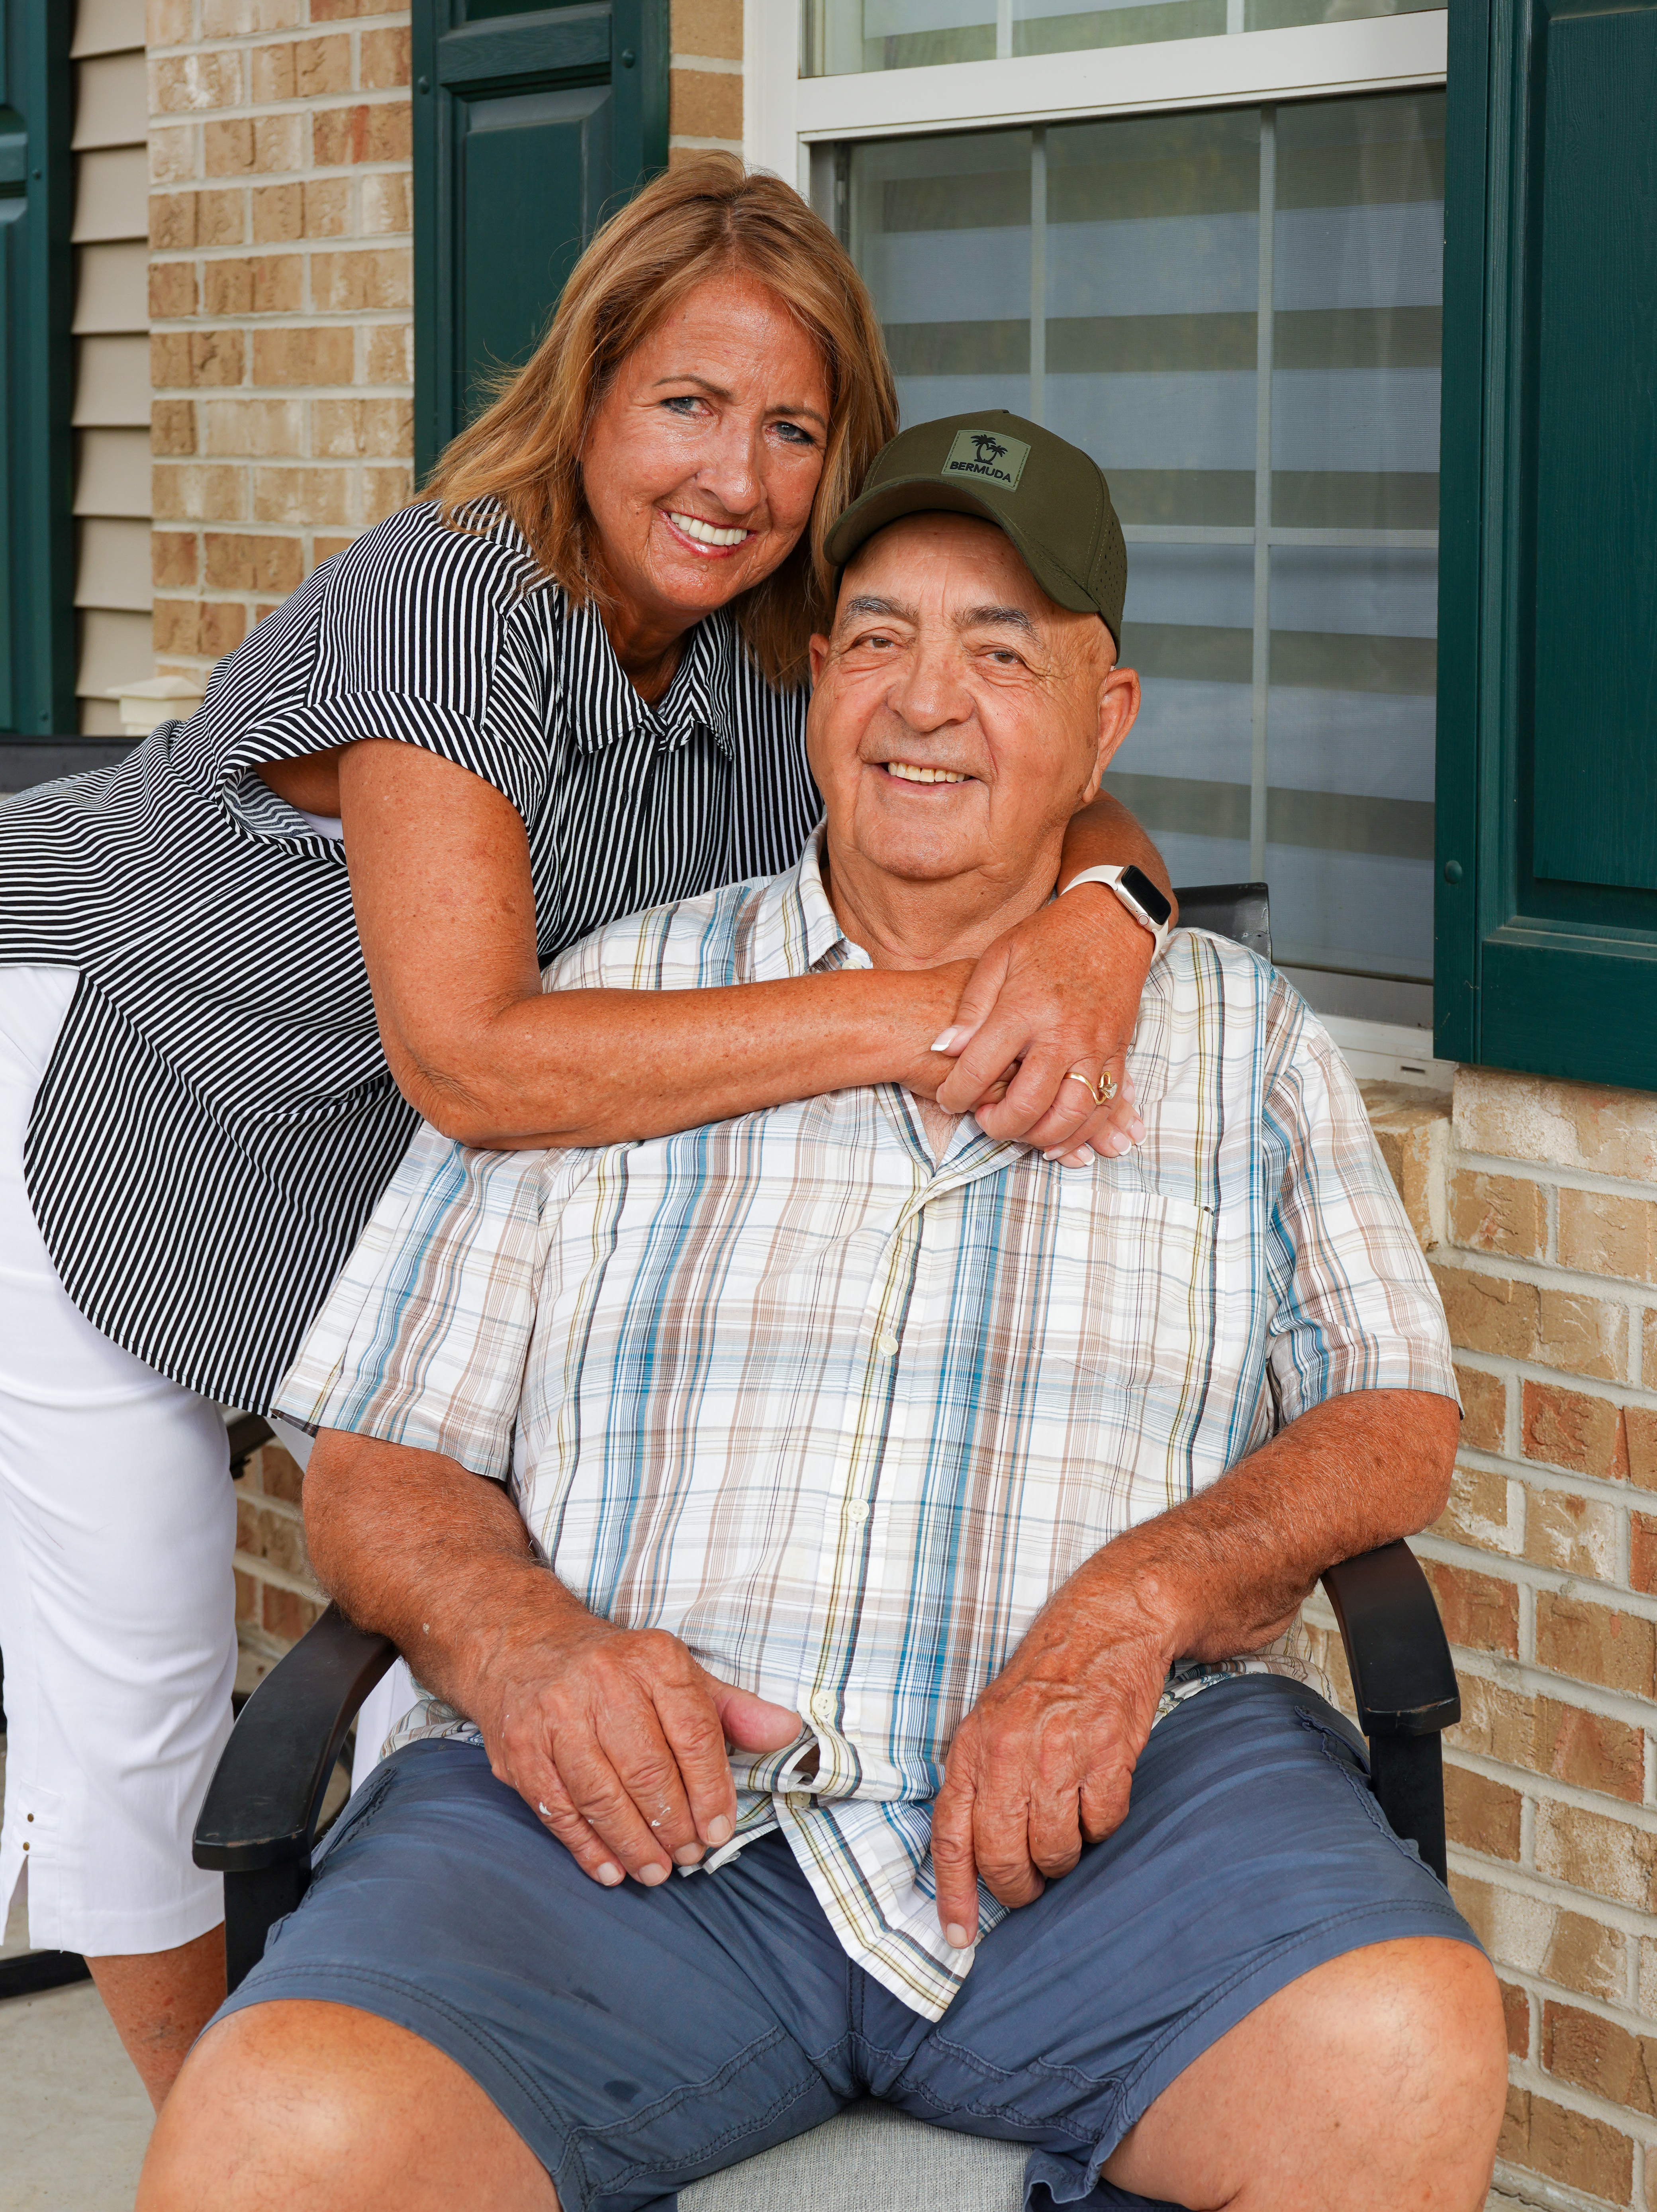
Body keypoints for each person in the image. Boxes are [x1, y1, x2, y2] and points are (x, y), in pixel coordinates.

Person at [140, 415, 1506, 2212]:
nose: (922, 700)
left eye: (999, 649)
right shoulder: (612, 994)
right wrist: (529, 1646)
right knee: (272, 2137)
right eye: (873, 638)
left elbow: (1389, 1412)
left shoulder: (1233, 1033)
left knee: (1395, 2045)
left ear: (1106, 724)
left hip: (1111, 1809)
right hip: (618, 1829)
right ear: (811, 687)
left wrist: (1136, 1602)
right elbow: (383, 1456)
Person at [0, 163, 1172, 2101]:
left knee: (474, 1605)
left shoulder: (769, 654)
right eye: (688, 405)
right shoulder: (450, 598)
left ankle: (432, 2072)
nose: (736, 471)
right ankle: (221, 2135)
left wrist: (1100, 932)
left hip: (332, 1138)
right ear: (589, 394)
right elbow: (473, 1053)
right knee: (135, 1680)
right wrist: (923, 1013)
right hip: (84, 1060)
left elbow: (1069, 797)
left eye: (793, 426)